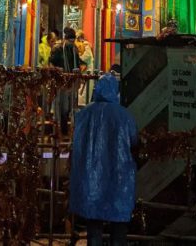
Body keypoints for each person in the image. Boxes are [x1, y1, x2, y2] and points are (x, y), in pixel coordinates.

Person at [69, 74, 138, 246]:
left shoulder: (84, 115)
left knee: (94, 230)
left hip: (91, 182)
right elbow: (134, 141)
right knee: (119, 230)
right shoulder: (125, 116)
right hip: (120, 180)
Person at [50, 27, 81, 134]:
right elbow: (52, 62)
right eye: (71, 40)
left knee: (69, 106)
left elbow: (77, 63)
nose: (72, 43)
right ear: (66, 39)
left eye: (73, 41)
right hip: (61, 82)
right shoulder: (59, 48)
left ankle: (67, 129)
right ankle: (59, 130)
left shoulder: (73, 48)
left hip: (71, 82)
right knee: (62, 106)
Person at [76, 32, 95, 106]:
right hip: (85, 71)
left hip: (88, 71)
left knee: (85, 91)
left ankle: (83, 104)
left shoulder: (85, 44)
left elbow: (87, 56)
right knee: (82, 90)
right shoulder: (84, 44)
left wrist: (79, 57)